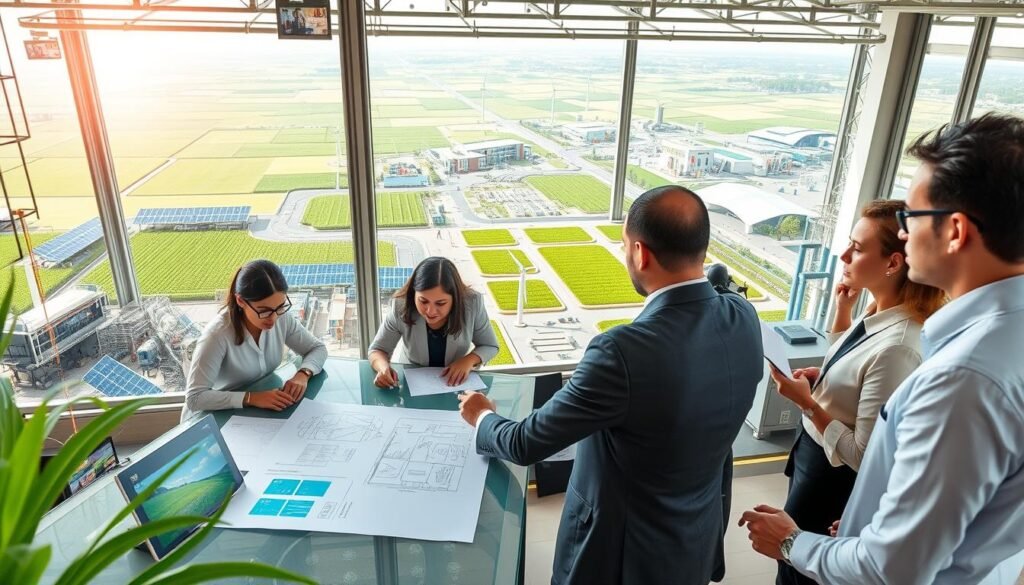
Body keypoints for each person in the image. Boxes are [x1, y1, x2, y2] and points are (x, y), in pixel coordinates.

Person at [741, 112, 1024, 584]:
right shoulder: (997, 342)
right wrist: (868, 528)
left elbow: (891, 569)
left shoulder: (964, 380)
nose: (906, 230)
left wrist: (791, 542)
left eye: (910, 216)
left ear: (955, 231)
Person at [457, 186, 764, 585]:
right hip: (694, 541)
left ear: (640, 253)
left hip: (619, 556)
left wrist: (482, 416)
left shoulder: (621, 351)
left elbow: (526, 443)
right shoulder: (744, 315)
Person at [769, 200, 945, 585]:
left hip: (831, 481)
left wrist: (806, 402)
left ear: (894, 263)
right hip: (811, 458)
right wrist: (841, 315)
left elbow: (864, 455)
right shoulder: (874, 311)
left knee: (797, 569)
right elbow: (856, 370)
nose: (844, 254)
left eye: (857, 247)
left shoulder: (900, 344)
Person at [183, 259, 327, 421]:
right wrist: (251, 398)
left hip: (252, 413)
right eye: (264, 310)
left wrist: (303, 373)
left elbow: (318, 348)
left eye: (280, 307)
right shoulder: (217, 334)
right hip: (212, 418)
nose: (273, 318)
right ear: (241, 301)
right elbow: (195, 399)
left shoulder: (281, 317)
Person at [368, 256, 498, 388]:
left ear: (455, 299)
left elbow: (489, 345)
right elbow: (377, 350)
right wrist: (383, 368)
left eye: (440, 303)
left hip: (455, 383)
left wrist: (468, 361)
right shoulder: (400, 306)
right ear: (414, 293)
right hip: (413, 382)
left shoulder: (472, 303)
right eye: (423, 301)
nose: (430, 311)